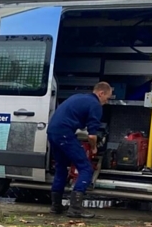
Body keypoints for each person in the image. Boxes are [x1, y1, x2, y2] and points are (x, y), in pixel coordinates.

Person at [47, 81, 113, 218]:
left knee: (61, 167)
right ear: (101, 93)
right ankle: (76, 208)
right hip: (64, 134)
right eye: (107, 98)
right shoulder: (95, 105)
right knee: (86, 168)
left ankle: (56, 206)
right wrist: (94, 148)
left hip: (53, 132)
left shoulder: (78, 97)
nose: (106, 102)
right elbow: (92, 135)